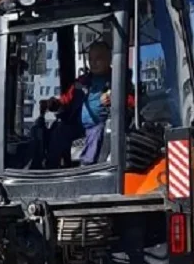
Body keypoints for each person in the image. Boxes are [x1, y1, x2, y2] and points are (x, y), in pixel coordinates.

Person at [42, 40, 133, 168]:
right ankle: (51, 166)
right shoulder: (82, 80)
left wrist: (116, 98)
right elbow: (67, 98)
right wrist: (54, 103)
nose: (93, 63)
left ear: (109, 59)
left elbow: (132, 101)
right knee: (60, 130)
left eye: (98, 58)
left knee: (96, 132)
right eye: (90, 59)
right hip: (78, 124)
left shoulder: (118, 79)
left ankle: (86, 166)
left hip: (100, 124)